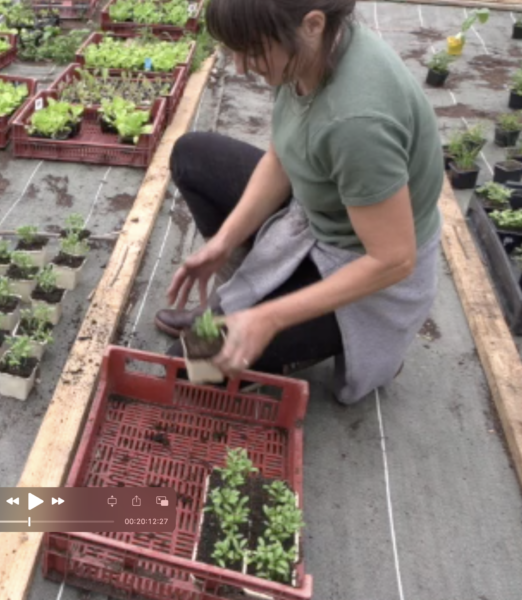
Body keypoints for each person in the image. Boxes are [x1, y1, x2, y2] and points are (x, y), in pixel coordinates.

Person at [155, 0, 443, 404]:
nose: (240, 66)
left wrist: (268, 319)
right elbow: (281, 157)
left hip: (364, 267)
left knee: (192, 367)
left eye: (252, 51)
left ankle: (278, 325)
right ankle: (230, 309)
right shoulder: (314, 51)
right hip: (315, 214)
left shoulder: (357, 123)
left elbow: (394, 259)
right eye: (233, 51)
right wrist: (223, 242)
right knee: (192, 155)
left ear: (312, 24)